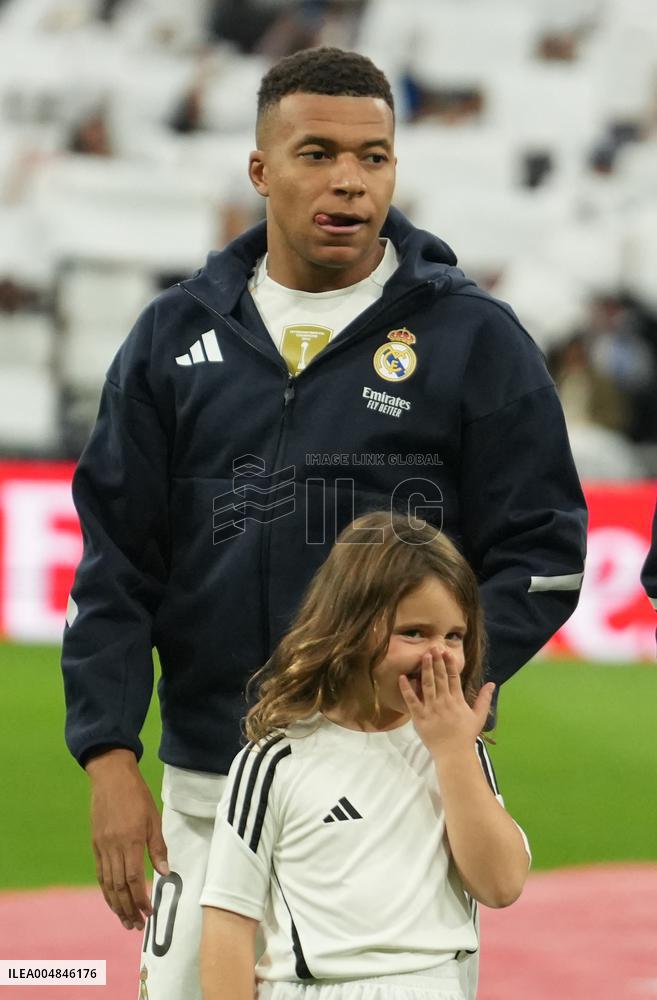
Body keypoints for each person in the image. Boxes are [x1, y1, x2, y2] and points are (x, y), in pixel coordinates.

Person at [60, 46, 586, 1000]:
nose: (349, 180)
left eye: (374, 156)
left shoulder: (474, 338)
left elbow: (541, 554)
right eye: (316, 153)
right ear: (261, 170)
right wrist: (107, 753)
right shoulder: (171, 338)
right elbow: (114, 565)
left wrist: (453, 680)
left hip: (393, 783)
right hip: (211, 776)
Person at [200, 511, 531, 1000]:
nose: (438, 655)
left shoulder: (460, 752)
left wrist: (452, 752)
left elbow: (501, 885)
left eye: (454, 636)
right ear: (350, 629)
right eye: (414, 633)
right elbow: (228, 922)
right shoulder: (276, 760)